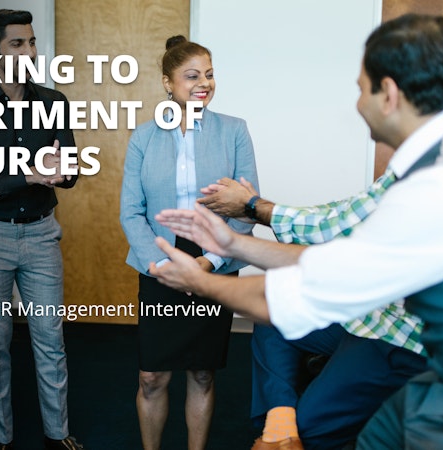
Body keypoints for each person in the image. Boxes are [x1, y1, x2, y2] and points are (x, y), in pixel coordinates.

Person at [147, 13, 443, 449]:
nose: (356, 104)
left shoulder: (436, 180)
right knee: (277, 330)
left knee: (316, 434)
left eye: (360, 89)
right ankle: (280, 416)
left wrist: (202, 280)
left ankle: (290, 431)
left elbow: (318, 280)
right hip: (395, 324)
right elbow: (343, 231)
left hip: (423, 357)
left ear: (388, 94)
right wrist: (234, 241)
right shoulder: (436, 153)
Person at [195, 165, 428, 448]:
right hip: (372, 310)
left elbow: (332, 228)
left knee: (305, 435)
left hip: (400, 339)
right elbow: (342, 212)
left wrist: (253, 206)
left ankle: (291, 431)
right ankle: (279, 418)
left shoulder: (434, 170)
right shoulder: (411, 165)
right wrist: (254, 209)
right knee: (277, 309)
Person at [0, 9, 84, 450]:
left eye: (31, 42)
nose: (29, 51)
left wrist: (60, 171)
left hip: (42, 233)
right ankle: (0, 439)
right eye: (17, 44)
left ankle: (57, 434)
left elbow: (70, 170)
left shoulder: (53, 102)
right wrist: (29, 172)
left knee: (50, 339)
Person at [119, 35, 259, 450]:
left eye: (210, 74)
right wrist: (157, 265)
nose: (204, 83)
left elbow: (248, 207)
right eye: (193, 75)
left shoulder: (234, 131)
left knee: (201, 372)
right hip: (159, 259)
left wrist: (211, 263)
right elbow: (131, 211)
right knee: (152, 375)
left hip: (211, 259)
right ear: (168, 82)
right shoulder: (143, 137)